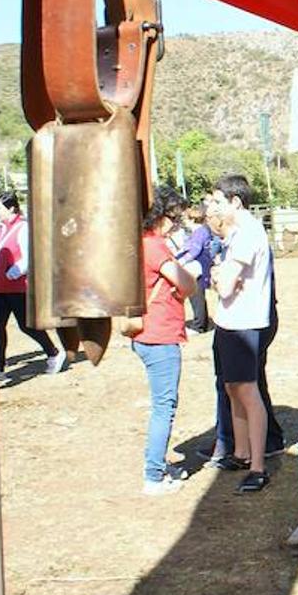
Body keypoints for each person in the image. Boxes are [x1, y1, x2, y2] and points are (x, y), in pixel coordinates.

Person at [207, 175, 275, 493]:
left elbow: (222, 284)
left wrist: (219, 274)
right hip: (230, 321)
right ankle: (241, 453)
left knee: (247, 391)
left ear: (236, 201)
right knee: (233, 388)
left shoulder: (248, 233)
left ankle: (258, 466)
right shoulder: (238, 233)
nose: (213, 207)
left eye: (218, 201)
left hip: (244, 323)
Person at [132, 187, 198, 496]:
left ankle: (157, 465)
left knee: (162, 403)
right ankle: (154, 475)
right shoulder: (156, 246)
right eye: (174, 218)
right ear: (160, 216)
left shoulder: (140, 242)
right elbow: (185, 283)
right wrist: (190, 279)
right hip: (160, 334)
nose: (176, 224)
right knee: (164, 406)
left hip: (145, 333)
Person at [0, 192, 66, 379]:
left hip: (17, 287)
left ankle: (53, 353)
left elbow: (29, 256)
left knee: (26, 325)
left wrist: (14, 272)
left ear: (11, 208)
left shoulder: (23, 227)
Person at [177, 203, 215, 333]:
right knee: (197, 296)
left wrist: (181, 261)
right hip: (201, 266)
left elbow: (194, 250)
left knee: (196, 295)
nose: (184, 222)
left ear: (192, 219)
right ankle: (201, 322)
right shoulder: (202, 231)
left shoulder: (199, 232)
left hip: (198, 267)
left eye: (186, 219)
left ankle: (199, 325)